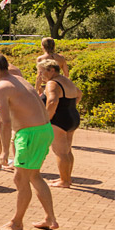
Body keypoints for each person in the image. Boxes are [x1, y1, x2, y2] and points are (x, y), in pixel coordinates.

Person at [0, 52, 58, 230]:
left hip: (30, 134)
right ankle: (50, 218)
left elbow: (4, 121)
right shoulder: (18, 79)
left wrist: (3, 152)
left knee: (20, 178)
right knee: (34, 176)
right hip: (44, 130)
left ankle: (17, 222)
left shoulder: (1, 87)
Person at [37, 59, 81, 188]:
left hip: (59, 120)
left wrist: (46, 120)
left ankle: (65, 181)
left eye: (41, 71)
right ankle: (66, 177)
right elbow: (79, 94)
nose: (40, 75)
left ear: (51, 70)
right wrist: (69, 108)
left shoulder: (52, 83)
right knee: (67, 150)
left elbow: (52, 102)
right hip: (72, 117)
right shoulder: (66, 80)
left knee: (60, 151)